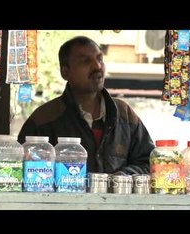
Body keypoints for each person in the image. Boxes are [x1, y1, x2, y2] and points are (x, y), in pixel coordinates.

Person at [18, 36, 155, 175]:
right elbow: (21, 171)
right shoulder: (44, 119)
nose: (97, 66)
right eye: (85, 61)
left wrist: (123, 176)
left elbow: (149, 163)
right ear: (65, 72)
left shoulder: (124, 114)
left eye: (100, 59)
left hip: (118, 196)